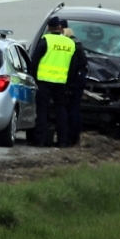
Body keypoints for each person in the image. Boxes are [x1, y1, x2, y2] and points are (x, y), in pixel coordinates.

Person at [28, 17, 75, 147]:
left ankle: (40, 140)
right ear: (60, 28)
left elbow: (35, 60)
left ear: (48, 28)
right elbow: (73, 65)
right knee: (61, 110)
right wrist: (68, 81)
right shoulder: (70, 43)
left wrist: (33, 77)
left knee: (42, 110)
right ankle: (62, 141)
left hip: (44, 81)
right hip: (61, 82)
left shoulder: (46, 40)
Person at [60, 24, 88, 147]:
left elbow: (71, 67)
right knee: (75, 109)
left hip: (73, 81)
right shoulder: (77, 43)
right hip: (79, 80)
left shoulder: (70, 44)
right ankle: (74, 138)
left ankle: (71, 139)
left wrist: (67, 84)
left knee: (71, 111)